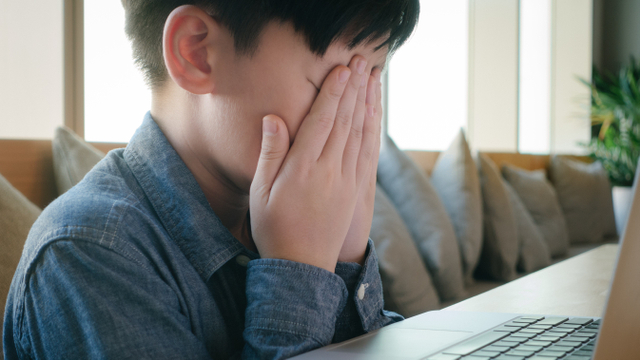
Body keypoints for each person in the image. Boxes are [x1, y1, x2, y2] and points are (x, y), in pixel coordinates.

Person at [3, 1, 419, 359]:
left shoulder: (287, 211)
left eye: (371, 81)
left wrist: (344, 263)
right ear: (196, 53)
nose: (355, 118)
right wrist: (299, 273)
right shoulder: (88, 254)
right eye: (335, 83)